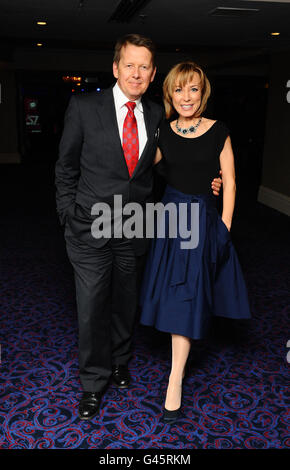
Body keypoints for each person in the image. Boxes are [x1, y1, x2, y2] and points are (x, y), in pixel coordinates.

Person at [55, 35, 222, 421]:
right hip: (89, 228)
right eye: (129, 65)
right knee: (92, 306)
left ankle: (120, 360)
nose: (136, 73)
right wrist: (67, 215)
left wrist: (208, 181)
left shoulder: (156, 116)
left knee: (125, 302)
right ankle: (94, 382)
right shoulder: (83, 107)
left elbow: (169, 166)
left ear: (152, 75)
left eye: (144, 67)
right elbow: (65, 167)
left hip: (135, 227)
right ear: (116, 69)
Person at [139, 61, 251, 423]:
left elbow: (229, 182)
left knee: (186, 294)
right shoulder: (164, 132)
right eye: (179, 90)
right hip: (171, 222)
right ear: (169, 93)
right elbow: (140, 165)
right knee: (176, 293)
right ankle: (177, 371)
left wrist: (224, 228)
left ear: (203, 94)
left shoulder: (219, 130)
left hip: (202, 222)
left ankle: (174, 379)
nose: (186, 97)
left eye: (194, 89)